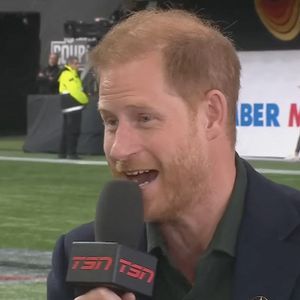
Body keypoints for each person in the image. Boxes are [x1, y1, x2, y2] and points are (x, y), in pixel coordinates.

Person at [47, 9, 300, 300]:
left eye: (144, 118)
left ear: (211, 115)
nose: (119, 149)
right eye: (111, 121)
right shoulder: (76, 256)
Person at [58, 56, 89, 159]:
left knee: (67, 130)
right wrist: (86, 100)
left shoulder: (71, 74)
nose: (78, 65)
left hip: (69, 106)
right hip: (72, 106)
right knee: (73, 130)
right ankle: (72, 153)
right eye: (76, 63)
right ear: (70, 64)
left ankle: (62, 153)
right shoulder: (67, 74)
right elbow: (75, 91)